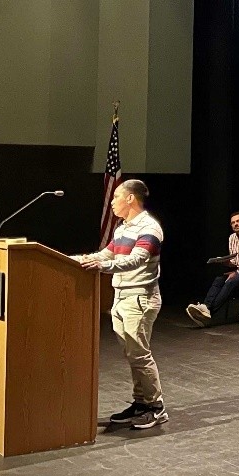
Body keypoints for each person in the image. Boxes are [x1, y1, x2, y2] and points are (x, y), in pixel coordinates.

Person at [73, 179, 168, 430]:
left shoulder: (150, 227)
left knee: (140, 355)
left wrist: (101, 266)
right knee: (132, 355)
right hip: (121, 297)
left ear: (130, 199)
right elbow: (107, 254)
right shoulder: (122, 228)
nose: (112, 201)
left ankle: (156, 407)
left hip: (140, 298)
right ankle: (141, 403)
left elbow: (136, 260)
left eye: (116, 196)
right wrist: (78, 260)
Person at [185, 212, 239, 325]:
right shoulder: (232, 238)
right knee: (219, 279)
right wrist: (225, 262)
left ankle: (209, 311)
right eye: (233, 222)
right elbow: (236, 260)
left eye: (238, 221)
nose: (235, 224)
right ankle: (206, 306)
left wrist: (237, 272)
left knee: (231, 281)